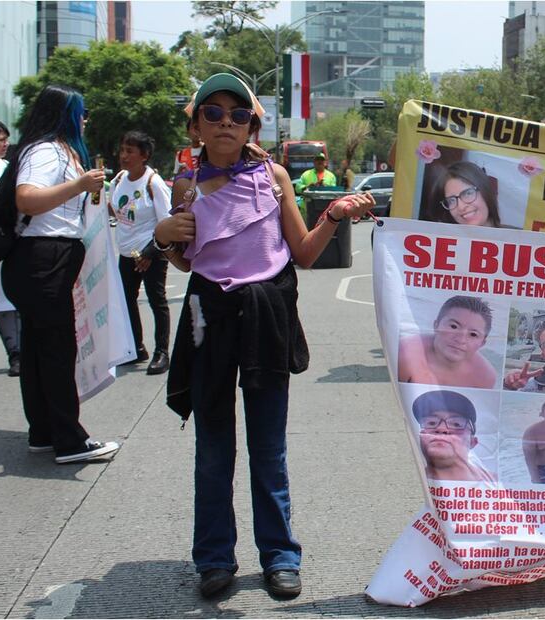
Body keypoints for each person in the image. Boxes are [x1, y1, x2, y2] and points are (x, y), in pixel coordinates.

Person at [152, 73, 375, 600]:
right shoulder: (184, 186)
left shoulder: (275, 178)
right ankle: (213, 558)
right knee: (213, 447)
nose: (226, 122)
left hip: (266, 318)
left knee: (268, 446)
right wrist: (163, 239)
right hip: (209, 317)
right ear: (196, 126)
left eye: (238, 114)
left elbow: (303, 252)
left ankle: (279, 555)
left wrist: (336, 214)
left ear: (253, 123)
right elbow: (186, 259)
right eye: (213, 113)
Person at [0, 85, 120, 464]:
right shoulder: (46, 150)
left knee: (38, 351)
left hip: (39, 261)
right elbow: (27, 197)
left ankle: (44, 432)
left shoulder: (48, 149)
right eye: (80, 112)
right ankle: (69, 440)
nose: (85, 119)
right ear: (65, 114)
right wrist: (80, 185)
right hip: (43, 260)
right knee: (56, 351)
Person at [109, 130, 172, 374]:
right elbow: (116, 210)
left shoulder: (152, 182)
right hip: (127, 253)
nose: (123, 156)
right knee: (127, 301)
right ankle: (135, 348)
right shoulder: (118, 179)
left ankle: (161, 352)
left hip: (151, 253)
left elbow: (167, 221)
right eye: (122, 150)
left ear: (143, 155)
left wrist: (150, 252)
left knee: (157, 301)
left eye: (130, 151)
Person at [398, 295, 497, 389]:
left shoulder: (485, 376)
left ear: (482, 343)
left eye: (473, 334)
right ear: (436, 325)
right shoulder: (405, 354)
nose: (460, 340)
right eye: (453, 326)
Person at [0, 117, 21, 377]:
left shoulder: (10, 170)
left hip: (6, 247)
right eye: (0, 140)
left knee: (8, 301)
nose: (5, 145)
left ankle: (17, 353)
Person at [412, 389, 495, 482]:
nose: (442, 429)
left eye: (456, 424)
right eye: (431, 423)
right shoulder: (408, 482)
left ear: (473, 442)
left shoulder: (496, 485)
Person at [424, 161, 501, 227]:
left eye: (468, 193)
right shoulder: (442, 242)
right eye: (451, 200)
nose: (461, 207)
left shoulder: (512, 238)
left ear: (485, 189)